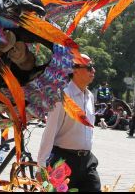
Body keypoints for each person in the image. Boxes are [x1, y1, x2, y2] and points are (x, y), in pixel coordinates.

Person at [37, 54, 101, 191]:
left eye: (93, 67)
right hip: (63, 161)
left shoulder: (89, 96)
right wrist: (41, 166)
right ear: (75, 70)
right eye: (89, 67)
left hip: (87, 160)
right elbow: (50, 131)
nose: (93, 70)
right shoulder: (62, 96)